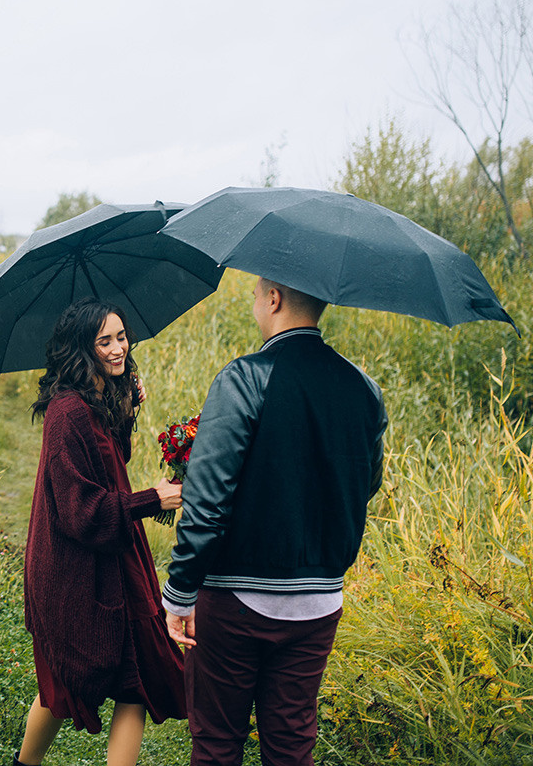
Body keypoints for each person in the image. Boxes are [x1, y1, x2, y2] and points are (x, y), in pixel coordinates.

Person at [162, 277, 389, 766]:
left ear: (274, 299)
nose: (254, 303)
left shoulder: (244, 378)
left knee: (219, 743)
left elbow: (206, 501)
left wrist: (179, 593)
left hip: (235, 601)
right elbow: (365, 482)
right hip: (319, 600)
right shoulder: (364, 389)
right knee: (291, 745)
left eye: (255, 294)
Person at [15, 298, 187, 766]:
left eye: (121, 336)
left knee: (140, 676)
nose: (118, 349)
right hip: (75, 570)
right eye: (104, 341)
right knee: (65, 682)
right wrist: (154, 499)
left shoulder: (95, 400)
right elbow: (81, 510)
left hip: (115, 558)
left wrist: (126, 410)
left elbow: (110, 469)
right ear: (82, 349)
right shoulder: (67, 413)